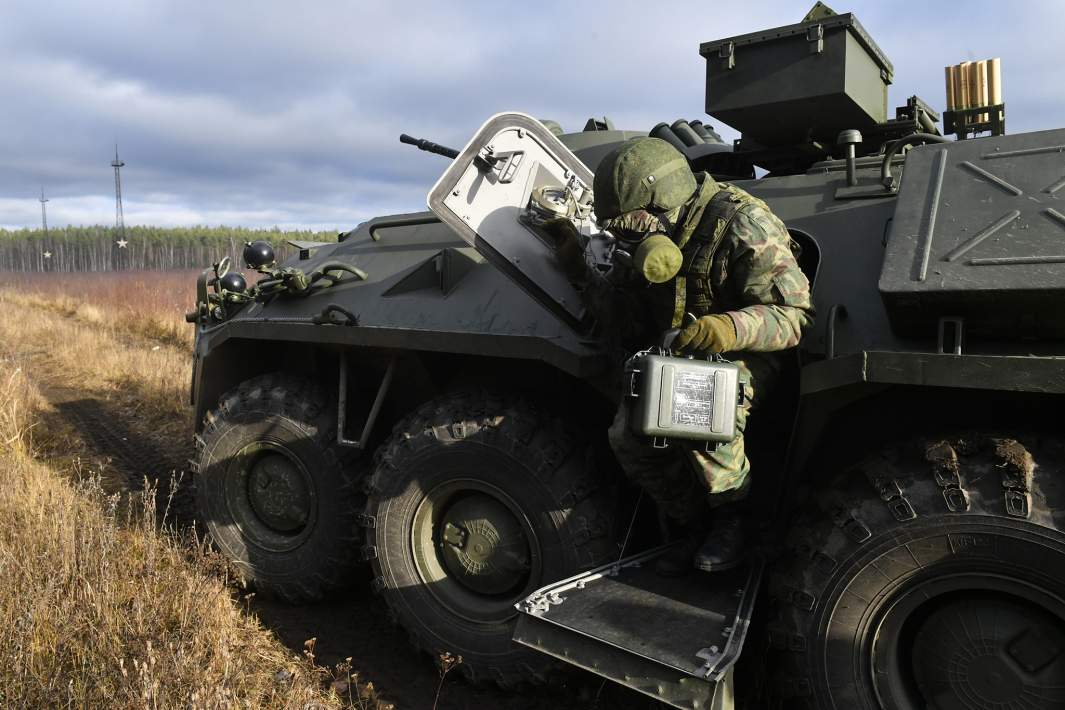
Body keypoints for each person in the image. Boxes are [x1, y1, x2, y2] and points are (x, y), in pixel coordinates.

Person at [546, 137, 814, 575]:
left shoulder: (744, 224)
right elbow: (623, 320)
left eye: (630, 228)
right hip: (678, 350)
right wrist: (578, 269)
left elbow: (795, 318)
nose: (624, 238)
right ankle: (689, 521)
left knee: (696, 412)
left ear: (660, 206)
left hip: (745, 349)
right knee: (628, 436)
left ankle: (733, 518)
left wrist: (725, 328)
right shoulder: (648, 240)